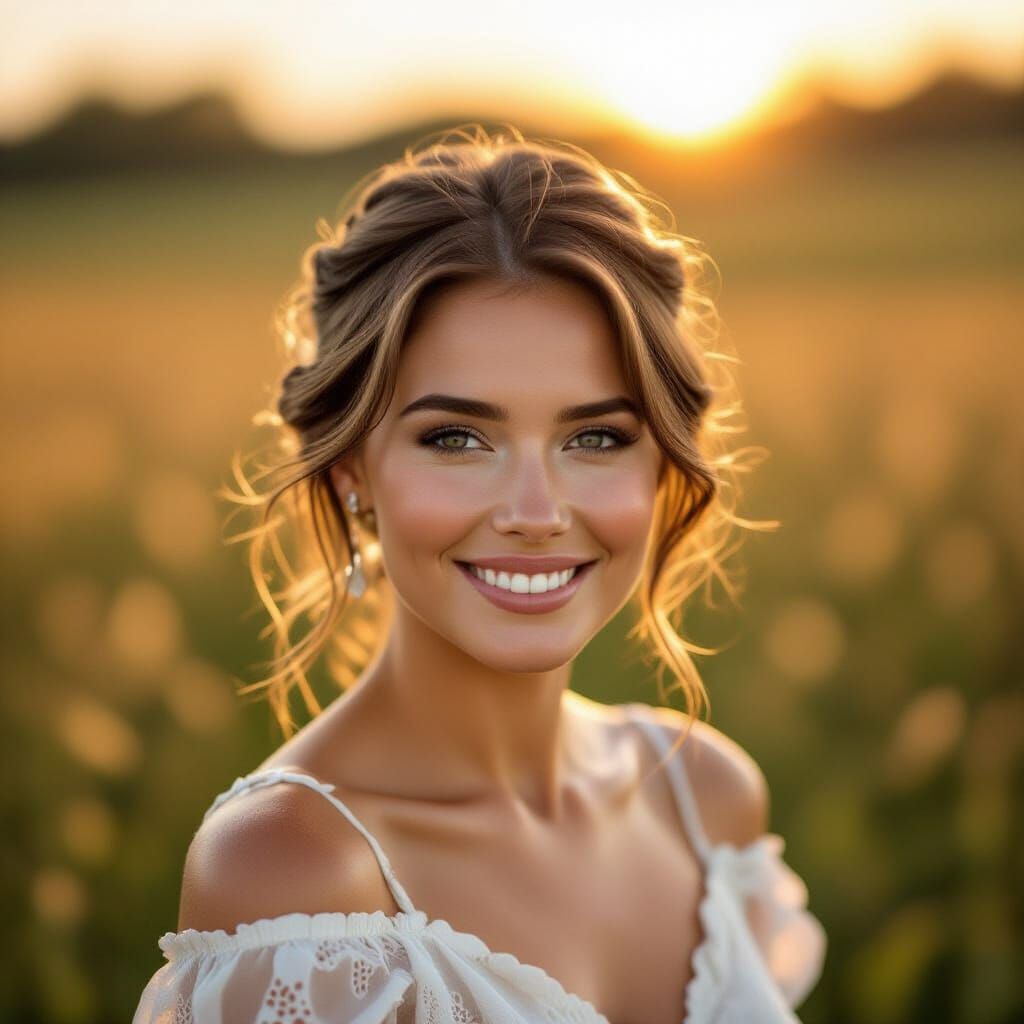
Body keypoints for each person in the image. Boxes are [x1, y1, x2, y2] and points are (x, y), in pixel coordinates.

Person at [132, 124, 826, 1023]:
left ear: (662, 465)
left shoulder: (706, 801)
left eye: (596, 437)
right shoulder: (298, 875)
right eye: (456, 438)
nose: (536, 511)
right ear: (351, 473)